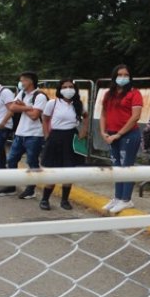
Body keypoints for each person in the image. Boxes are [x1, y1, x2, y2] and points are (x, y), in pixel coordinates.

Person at [0, 71, 48, 199]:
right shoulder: (22, 93)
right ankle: (11, 186)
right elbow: (12, 108)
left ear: (30, 81)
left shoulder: (40, 96)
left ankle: (31, 189)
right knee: (12, 160)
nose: (21, 83)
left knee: (32, 162)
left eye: (23, 80)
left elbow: (35, 116)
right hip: (20, 133)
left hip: (34, 135)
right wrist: (28, 107)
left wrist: (23, 106)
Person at [39, 79, 89, 210]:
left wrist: (83, 132)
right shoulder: (53, 103)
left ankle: (65, 200)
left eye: (71, 87)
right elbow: (45, 119)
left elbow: (86, 117)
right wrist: (46, 135)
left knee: (69, 171)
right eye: (65, 87)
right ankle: (45, 199)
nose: (68, 89)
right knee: (52, 171)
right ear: (60, 89)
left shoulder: (78, 104)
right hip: (55, 137)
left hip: (71, 138)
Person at [100, 64, 144, 214]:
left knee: (127, 167)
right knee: (117, 168)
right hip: (111, 135)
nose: (123, 77)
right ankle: (118, 197)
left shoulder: (134, 93)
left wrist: (119, 134)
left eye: (126, 75)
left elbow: (135, 116)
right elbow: (103, 114)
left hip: (128, 135)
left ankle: (126, 199)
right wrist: (103, 132)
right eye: (120, 75)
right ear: (114, 77)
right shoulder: (109, 94)